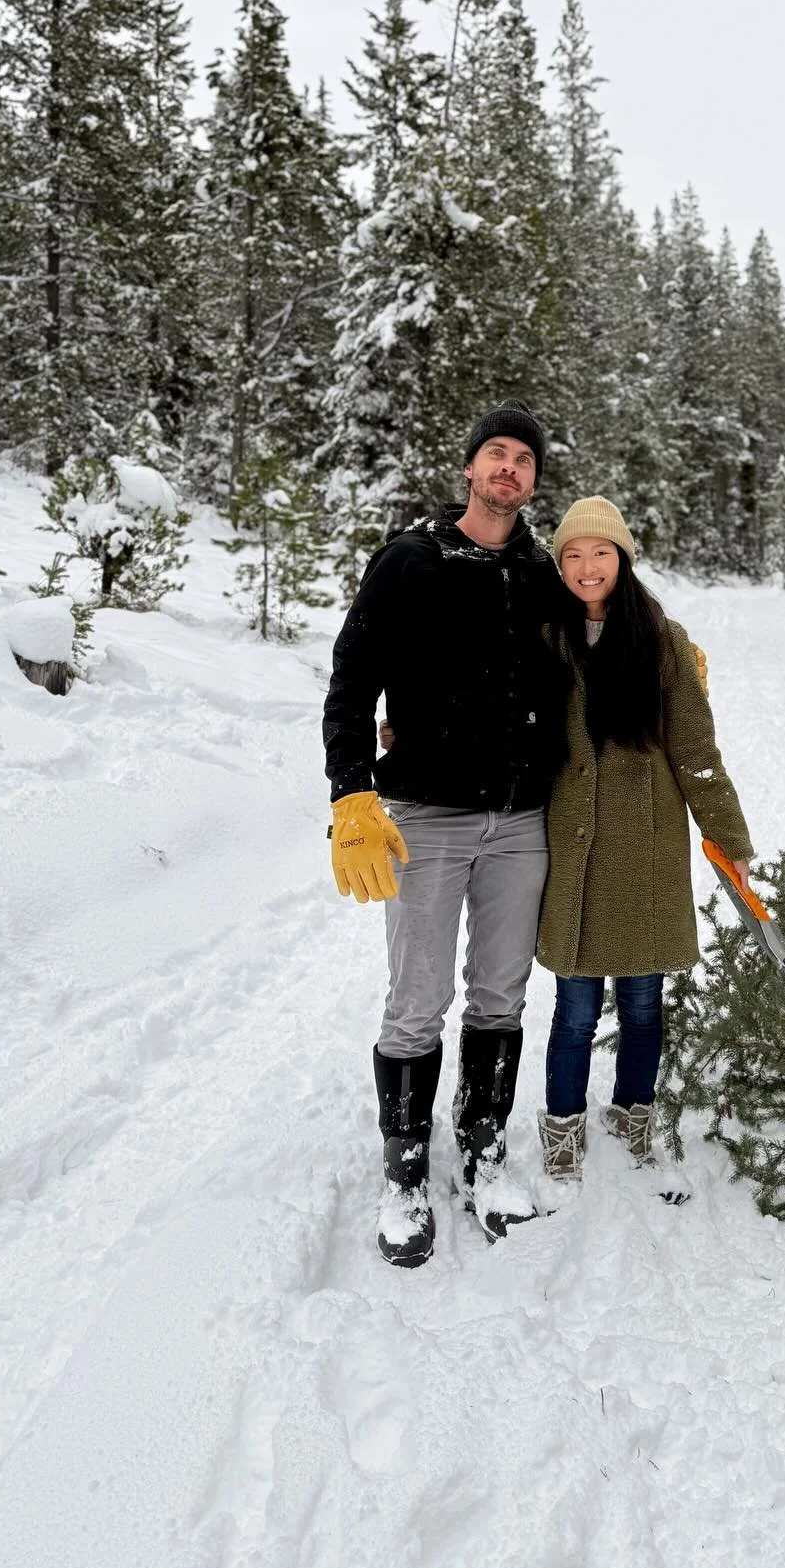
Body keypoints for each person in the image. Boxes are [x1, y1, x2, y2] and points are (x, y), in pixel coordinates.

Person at [322, 401, 567, 1266]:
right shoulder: (414, 559)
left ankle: (484, 1150)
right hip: (428, 814)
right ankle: (405, 1168)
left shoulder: (543, 572)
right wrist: (352, 792)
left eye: (523, 460)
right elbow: (353, 677)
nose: (509, 469)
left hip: (521, 820)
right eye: (495, 454)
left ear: (535, 480)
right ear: (470, 468)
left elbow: (606, 634)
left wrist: (668, 658)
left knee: (501, 995)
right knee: (417, 999)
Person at [535, 496, 754, 1186]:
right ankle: (563, 1125)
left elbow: (695, 750)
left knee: (640, 1004)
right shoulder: (548, 638)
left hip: (647, 852)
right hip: (574, 852)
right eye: (572, 554)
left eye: (599, 552)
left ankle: (635, 1112)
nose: (586, 566)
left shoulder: (663, 640)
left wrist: (728, 835)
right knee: (574, 1009)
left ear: (622, 560)